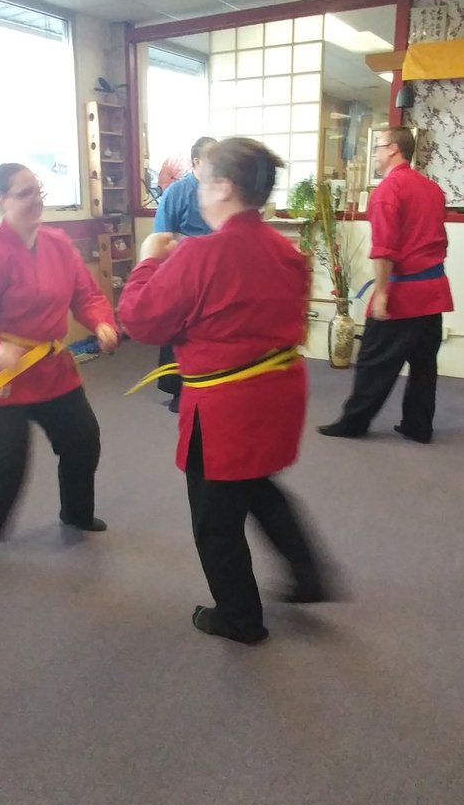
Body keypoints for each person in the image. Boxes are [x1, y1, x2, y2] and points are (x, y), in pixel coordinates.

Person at [119, 138, 336, 645]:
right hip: (277, 394)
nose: (195, 190)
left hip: (225, 408)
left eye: (202, 180)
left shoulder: (201, 253)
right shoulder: (287, 250)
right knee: (258, 485)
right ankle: (308, 576)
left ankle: (239, 618)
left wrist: (149, 261)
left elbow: (141, 320)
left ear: (223, 186)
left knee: (215, 521)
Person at [0, 163, 119, 564]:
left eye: (37, 190)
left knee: (82, 438)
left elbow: (87, 296)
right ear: (1, 201)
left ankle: (76, 513)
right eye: (24, 193)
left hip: (46, 367)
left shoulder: (59, 244)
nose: (35, 199)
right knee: (7, 463)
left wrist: (102, 323)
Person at [319, 127, 453, 443]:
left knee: (372, 361)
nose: (374, 153)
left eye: (377, 146)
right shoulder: (432, 189)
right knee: (423, 364)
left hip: (403, 294)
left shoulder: (388, 190)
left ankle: (353, 423)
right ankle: (418, 425)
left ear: (393, 148)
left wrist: (381, 294)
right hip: (433, 290)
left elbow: (384, 251)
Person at [153, 136, 216, 413]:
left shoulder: (220, 191)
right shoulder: (176, 193)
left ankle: (207, 384)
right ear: (195, 162)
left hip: (215, 271)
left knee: (209, 332)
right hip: (182, 270)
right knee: (179, 331)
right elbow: (161, 237)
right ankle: (178, 389)